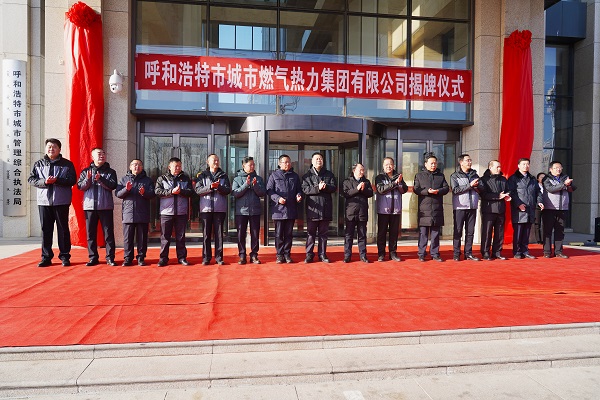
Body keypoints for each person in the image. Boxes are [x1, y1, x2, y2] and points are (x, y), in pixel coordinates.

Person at [28, 138, 77, 267]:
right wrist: (44, 182)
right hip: (44, 202)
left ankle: (65, 256)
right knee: (46, 230)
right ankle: (46, 257)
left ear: (59, 149)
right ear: (46, 149)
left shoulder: (67, 164)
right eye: (49, 147)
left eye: (54, 147)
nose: (51, 149)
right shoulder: (38, 164)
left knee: (63, 229)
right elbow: (31, 179)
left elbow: (72, 180)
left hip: (61, 201)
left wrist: (57, 180)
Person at [77, 148, 118, 266]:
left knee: (108, 234)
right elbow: (80, 187)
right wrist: (88, 180)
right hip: (90, 207)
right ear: (92, 157)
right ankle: (93, 257)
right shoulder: (85, 171)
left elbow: (112, 186)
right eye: (99, 154)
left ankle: (110, 258)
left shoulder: (110, 172)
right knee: (91, 234)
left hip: (105, 206)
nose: (102, 156)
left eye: (103, 154)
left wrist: (100, 179)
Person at [115, 159, 156, 266]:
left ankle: (141, 258)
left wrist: (144, 193)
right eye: (134, 164)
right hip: (128, 213)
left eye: (139, 165)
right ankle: (128, 258)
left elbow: (153, 194)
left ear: (142, 167)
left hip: (143, 212)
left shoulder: (147, 180)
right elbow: (118, 194)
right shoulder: (124, 179)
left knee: (142, 238)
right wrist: (126, 189)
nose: (137, 167)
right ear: (130, 167)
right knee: (128, 238)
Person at [155, 157, 194, 266]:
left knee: (180, 237)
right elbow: (157, 191)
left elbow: (191, 192)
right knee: (165, 237)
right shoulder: (162, 178)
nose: (178, 168)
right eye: (176, 166)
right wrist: (171, 191)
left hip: (181, 212)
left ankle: (182, 258)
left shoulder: (185, 178)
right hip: (166, 212)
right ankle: (163, 258)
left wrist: (181, 191)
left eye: (179, 166)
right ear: (169, 167)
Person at [195, 154, 232, 265]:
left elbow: (228, 190)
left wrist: (218, 187)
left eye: (217, 160)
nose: (216, 162)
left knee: (219, 235)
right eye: (214, 160)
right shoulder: (202, 176)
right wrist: (210, 187)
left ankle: (219, 257)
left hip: (219, 209)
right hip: (206, 209)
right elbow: (198, 190)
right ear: (208, 162)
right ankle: (206, 258)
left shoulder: (224, 175)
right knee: (206, 235)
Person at [301, 152, 337, 263]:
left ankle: (322, 254)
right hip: (313, 209)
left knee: (323, 234)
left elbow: (334, 187)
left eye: (320, 159)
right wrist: (318, 188)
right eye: (316, 159)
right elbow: (305, 190)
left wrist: (326, 187)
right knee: (310, 234)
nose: (319, 161)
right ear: (312, 161)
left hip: (325, 208)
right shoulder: (307, 176)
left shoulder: (329, 174)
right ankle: (309, 254)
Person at [413, 153, 449, 262]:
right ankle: (421, 253)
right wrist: (427, 191)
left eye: (435, 163)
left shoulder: (440, 176)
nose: (433, 165)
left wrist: (438, 191)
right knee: (423, 233)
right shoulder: (419, 176)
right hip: (424, 209)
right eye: (431, 163)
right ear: (425, 164)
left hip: (437, 209)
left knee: (435, 233)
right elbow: (416, 189)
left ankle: (435, 253)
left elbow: (446, 188)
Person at [266, 154, 302, 264]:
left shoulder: (295, 176)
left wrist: (299, 195)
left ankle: (287, 254)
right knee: (278, 234)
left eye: (289, 162)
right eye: (285, 162)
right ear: (279, 163)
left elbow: (299, 189)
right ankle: (279, 255)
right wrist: (278, 199)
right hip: (278, 210)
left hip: (291, 209)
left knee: (289, 234)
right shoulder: (274, 175)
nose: (287, 164)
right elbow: (269, 190)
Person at [232, 156, 266, 265]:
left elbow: (262, 193)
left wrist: (255, 186)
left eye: (253, 164)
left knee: (255, 234)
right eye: (250, 165)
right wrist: (246, 185)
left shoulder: (258, 179)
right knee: (241, 234)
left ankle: (254, 255)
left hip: (254, 210)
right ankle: (242, 255)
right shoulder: (237, 179)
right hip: (241, 211)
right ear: (243, 166)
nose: (252, 167)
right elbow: (235, 193)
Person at [508, 158, 543, 259]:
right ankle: (517, 251)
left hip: (530, 208)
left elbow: (538, 192)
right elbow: (511, 192)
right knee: (518, 231)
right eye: (523, 164)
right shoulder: (513, 178)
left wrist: (539, 201)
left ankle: (525, 251)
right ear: (518, 166)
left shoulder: (532, 179)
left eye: (527, 164)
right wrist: (518, 204)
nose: (526, 166)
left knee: (527, 232)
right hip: (519, 209)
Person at [374, 157, 408, 262]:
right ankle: (381, 254)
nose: (388, 166)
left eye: (390, 164)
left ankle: (393, 253)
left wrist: (400, 183)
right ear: (383, 166)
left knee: (394, 233)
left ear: (393, 166)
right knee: (382, 233)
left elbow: (404, 189)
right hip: (383, 210)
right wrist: (394, 183)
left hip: (395, 209)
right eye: (386, 165)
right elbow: (381, 189)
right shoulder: (379, 177)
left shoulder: (398, 176)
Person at [541, 161, 576, 258]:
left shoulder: (565, 177)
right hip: (549, 208)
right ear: (550, 169)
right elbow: (551, 189)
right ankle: (547, 252)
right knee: (547, 230)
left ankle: (558, 251)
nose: (558, 169)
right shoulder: (546, 178)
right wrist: (564, 184)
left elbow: (572, 189)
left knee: (560, 231)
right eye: (556, 168)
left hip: (562, 208)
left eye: (560, 167)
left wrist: (569, 184)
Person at [450, 154, 481, 261]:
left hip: (472, 206)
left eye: (470, 160)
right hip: (460, 207)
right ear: (461, 162)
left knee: (470, 231)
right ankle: (456, 253)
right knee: (458, 231)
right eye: (467, 160)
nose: (470, 162)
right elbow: (455, 190)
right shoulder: (455, 176)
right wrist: (470, 185)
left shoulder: (475, 175)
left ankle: (468, 253)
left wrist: (477, 186)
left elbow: (481, 189)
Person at [479, 160, 511, 260]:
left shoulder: (503, 179)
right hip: (488, 209)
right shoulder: (483, 180)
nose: (499, 169)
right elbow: (483, 194)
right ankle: (485, 252)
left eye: (500, 167)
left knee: (499, 232)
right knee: (487, 232)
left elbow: (508, 190)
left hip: (501, 209)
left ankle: (497, 252)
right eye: (497, 167)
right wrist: (498, 196)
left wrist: (507, 195)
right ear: (490, 167)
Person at [342, 163, 374, 263]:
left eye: (363, 170)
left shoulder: (366, 182)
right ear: (354, 170)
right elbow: (346, 193)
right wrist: (357, 189)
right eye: (360, 170)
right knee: (349, 235)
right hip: (351, 212)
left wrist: (363, 189)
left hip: (362, 211)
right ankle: (347, 255)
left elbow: (370, 193)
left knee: (362, 235)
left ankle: (363, 255)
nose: (362, 172)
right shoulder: (347, 181)